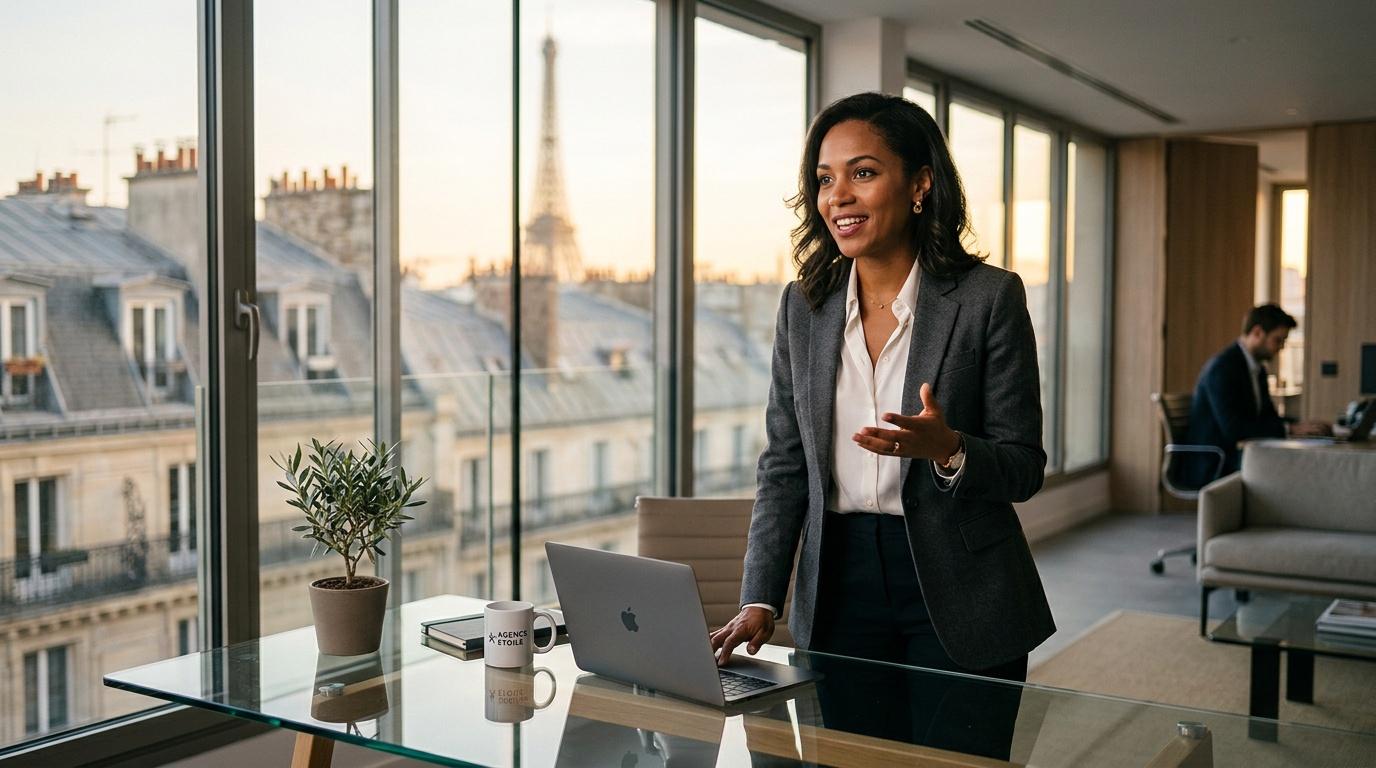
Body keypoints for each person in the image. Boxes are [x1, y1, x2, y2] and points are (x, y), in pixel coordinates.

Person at [707, 92, 1054, 756]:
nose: (839, 195)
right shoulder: (802, 308)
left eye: (862, 172)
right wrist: (761, 597)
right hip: (838, 584)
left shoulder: (988, 298)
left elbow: (1023, 465)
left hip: (959, 584)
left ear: (920, 183)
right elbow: (784, 468)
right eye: (825, 178)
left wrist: (949, 449)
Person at [1183, 303, 1330, 487]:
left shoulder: (1257, 369)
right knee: (1297, 469)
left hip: (1237, 454)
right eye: (1278, 340)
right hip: (1217, 461)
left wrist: (1301, 426)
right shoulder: (1223, 368)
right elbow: (1234, 429)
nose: (1281, 347)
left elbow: (1267, 417)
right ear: (1258, 332)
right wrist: (1290, 429)